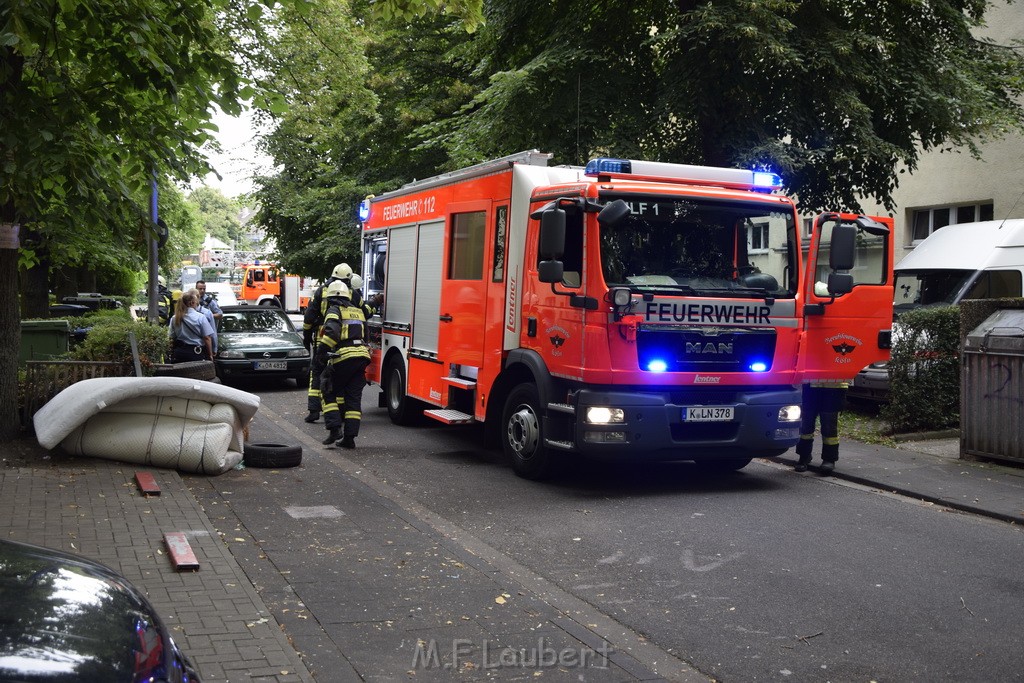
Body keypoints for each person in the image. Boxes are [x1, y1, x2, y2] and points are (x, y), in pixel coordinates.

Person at [302, 263, 366, 423]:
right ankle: (341, 411)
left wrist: (307, 336)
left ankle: (314, 410)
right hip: (344, 340)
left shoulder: (321, 290)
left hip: (322, 338)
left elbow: (309, 316)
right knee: (338, 377)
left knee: (317, 373)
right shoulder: (352, 293)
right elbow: (363, 313)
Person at [317, 280, 372, 448]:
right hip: (361, 357)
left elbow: (332, 331)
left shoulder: (334, 310)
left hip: (344, 357)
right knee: (353, 399)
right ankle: (349, 438)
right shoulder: (358, 311)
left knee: (327, 390)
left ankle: (334, 429)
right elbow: (366, 334)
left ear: (331, 298)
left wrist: (322, 350)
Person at [794, 379, 849, 474]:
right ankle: (804, 455)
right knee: (806, 424)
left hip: (833, 388)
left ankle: (829, 459)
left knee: (829, 426)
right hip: (810, 385)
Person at [168, 289, 215, 363]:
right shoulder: (200, 317)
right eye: (196, 302)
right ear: (192, 303)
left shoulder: (175, 318)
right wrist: (210, 355)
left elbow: (171, 337)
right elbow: (207, 338)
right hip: (195, 353)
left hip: (179, 353)